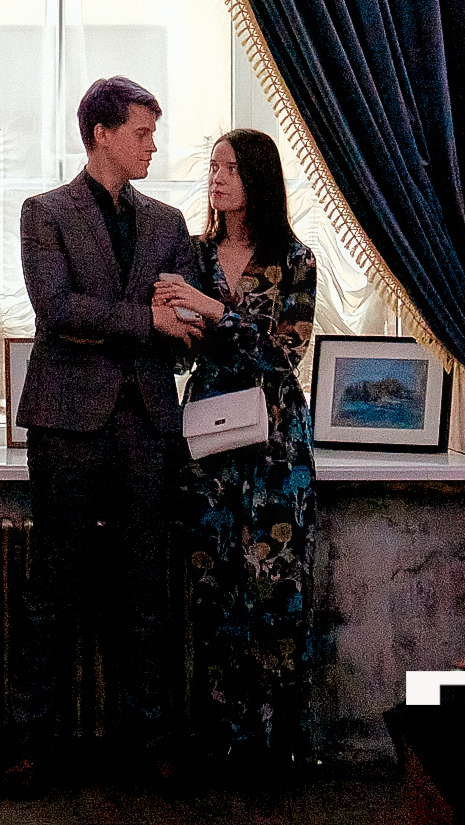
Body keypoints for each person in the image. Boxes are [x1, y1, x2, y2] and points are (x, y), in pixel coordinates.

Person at [8, 75, 205, 791]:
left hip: (148, 421)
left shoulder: (168, 222)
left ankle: (148, 743)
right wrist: (147, 320)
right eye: (142, 133)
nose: (153, 146)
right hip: (67, 421)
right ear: (101, 135)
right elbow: (57, 309)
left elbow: (189, 322)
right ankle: (31, 746)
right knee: (53, 586)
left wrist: (174, 323)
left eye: (153, 133)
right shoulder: (45, 212)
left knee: (145, 587)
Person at [154, 127, 318, 775]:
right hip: (208, 438)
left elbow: (284, 353)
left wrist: (213, 312)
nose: (217, 178)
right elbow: (176, 355)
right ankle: (218, 740)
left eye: (230, 168)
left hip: (275, 442)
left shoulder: (295, 259)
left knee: (275, 588)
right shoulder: (191, 256)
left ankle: (276, 745)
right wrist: (172, 321)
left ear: (258, 179)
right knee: (212, 588)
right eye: (214, 167)